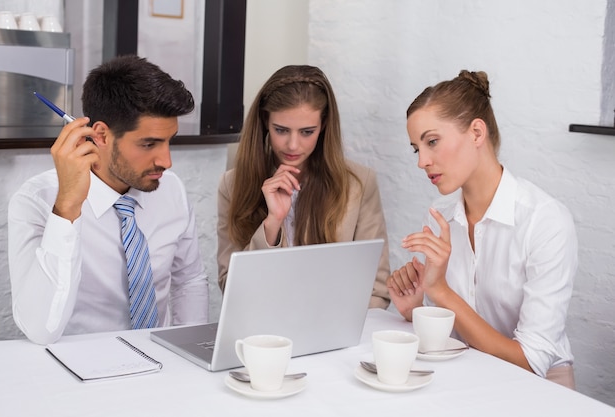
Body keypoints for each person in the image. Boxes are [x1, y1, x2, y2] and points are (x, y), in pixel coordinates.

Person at [388, 70, 578, 389]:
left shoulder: (545, 221)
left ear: (477, 132)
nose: (422, 161)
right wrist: (415, 310)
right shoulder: (442, 220)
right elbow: (458, 333)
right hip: (468, 376)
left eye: (432, 141)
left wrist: (441, 292)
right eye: (416, 149)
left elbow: (530, 363)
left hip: (541, 388)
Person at [8, 55, 209, 345]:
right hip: (80, 371)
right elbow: (40, 329)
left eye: (170, 140)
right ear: (101, 135)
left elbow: (188, 279)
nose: (166, 161)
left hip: (166, 367)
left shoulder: (171, 189)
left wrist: (192, 349)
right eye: (149, 144)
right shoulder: (36, 201)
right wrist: (67, 208)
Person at [217, 65, 390, 308]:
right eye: (281, 130)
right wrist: (272, 225)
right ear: (266, 122)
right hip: (263, 334)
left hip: (338, 334)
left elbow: (377, 289)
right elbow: (231, 288)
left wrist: (344, 336)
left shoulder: (358, 184)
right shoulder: (233, 184)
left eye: (307, 132)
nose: (293, 145)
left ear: (324, 125)